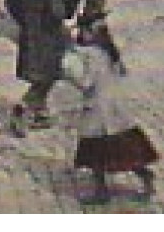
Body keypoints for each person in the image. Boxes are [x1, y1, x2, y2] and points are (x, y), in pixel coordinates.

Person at [60, 16, 158, 205]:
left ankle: (101, 191)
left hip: (98, 108)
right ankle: (144, 176)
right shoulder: (108, 51)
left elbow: (86, 82)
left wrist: (68, 61)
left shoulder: (90, 55)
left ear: (90, 34)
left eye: (83, 31)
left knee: (95, 150)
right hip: (115, 108)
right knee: (124, 150)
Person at [4, 0, 70, 136]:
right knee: (48, 76)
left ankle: (40, 114)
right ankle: (24, 108)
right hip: (48, 37)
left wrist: (24, 21)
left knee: (40, 75)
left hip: (28, 34)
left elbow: (10, 2)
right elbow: (57, 11)